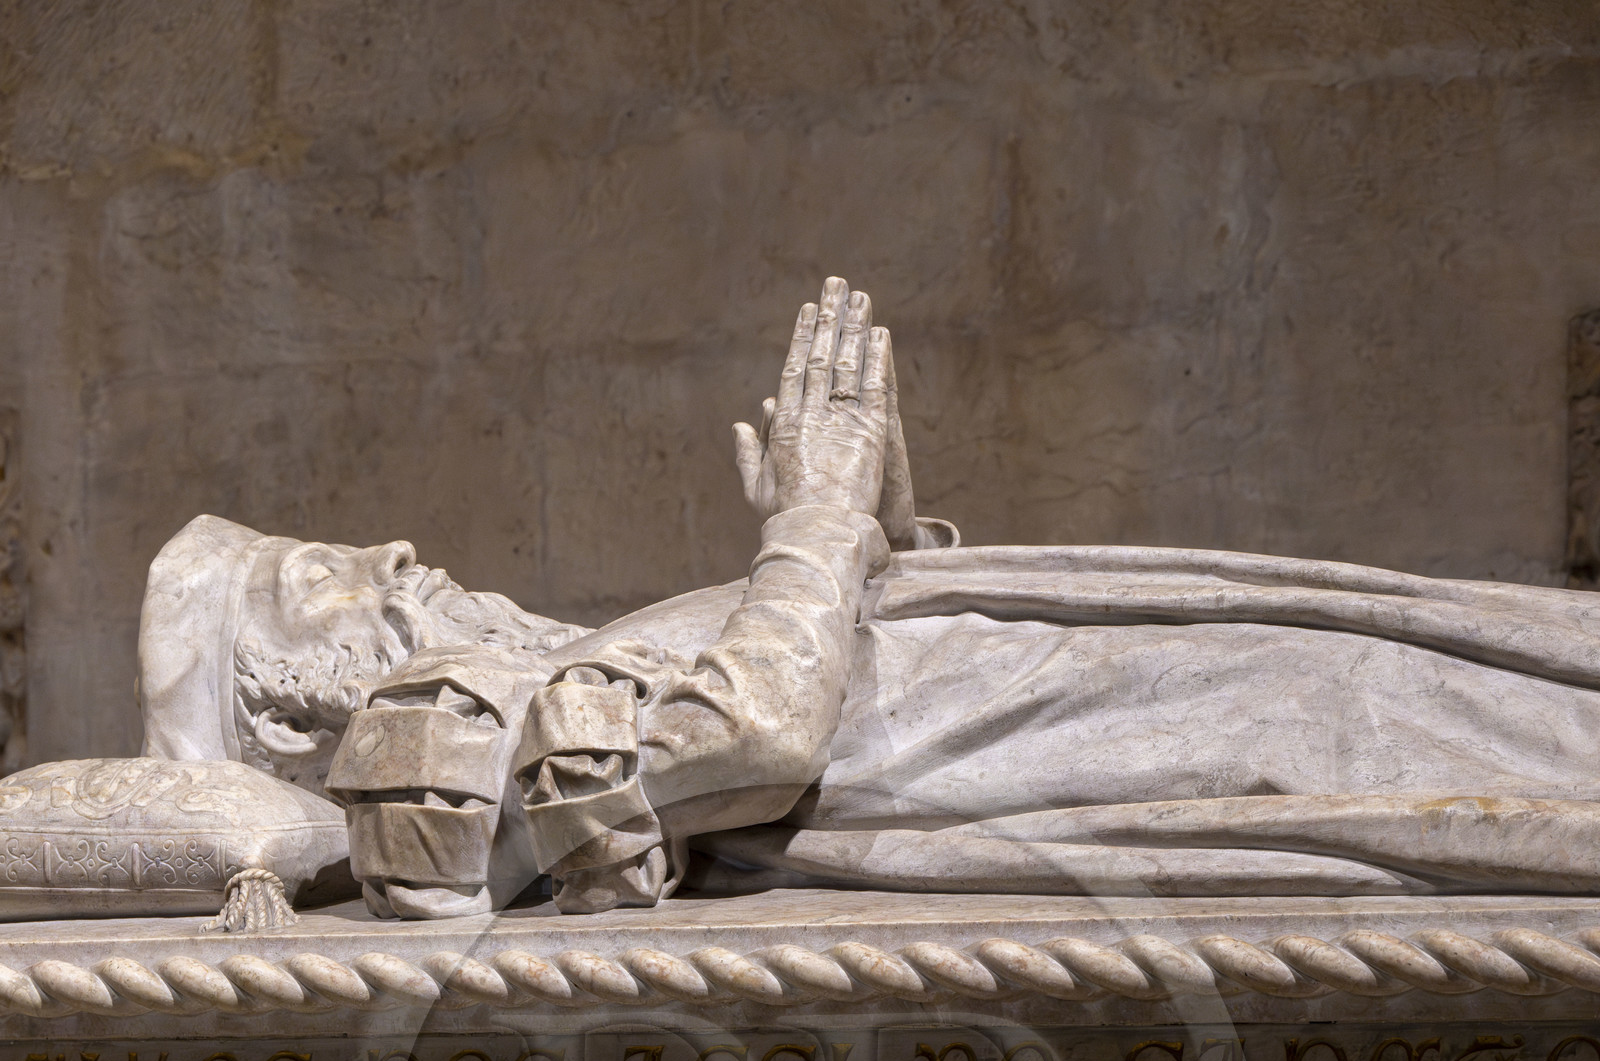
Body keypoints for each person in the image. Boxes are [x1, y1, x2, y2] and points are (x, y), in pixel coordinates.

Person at [140, 278, 1600, 919]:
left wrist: (880, 535)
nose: (392, 556)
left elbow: (804, 669)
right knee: (1383, 713)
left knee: (1425, 663)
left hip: (1032, 700)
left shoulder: (519, 668)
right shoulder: (419, 751)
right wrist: (822, 515)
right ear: (277, 698)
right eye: (321, 580)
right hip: (1023, 767)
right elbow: (747, 743)